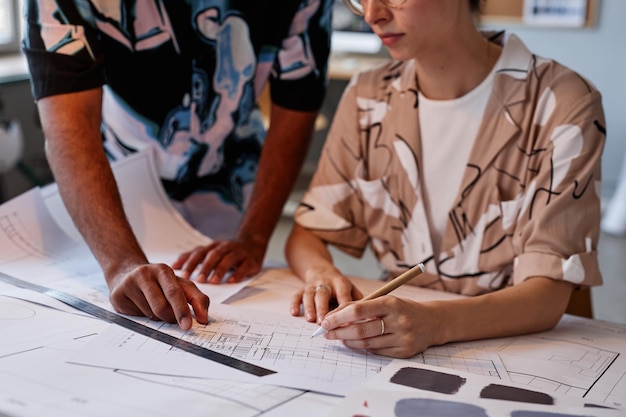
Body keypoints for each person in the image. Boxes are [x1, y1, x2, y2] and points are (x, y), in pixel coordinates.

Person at [286, 0, 606, 358]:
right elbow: (309, 231)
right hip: (398, 349)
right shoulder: (367, 94)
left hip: (521, 352)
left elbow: (547, 295)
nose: (374, 14)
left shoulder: (561, 101)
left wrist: (435, 323)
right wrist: (320, 274)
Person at [22, 0, 332, 329]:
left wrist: (254, 235)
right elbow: (70, 129)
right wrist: (120, 263)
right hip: (111, 197)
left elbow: (296, 108)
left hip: (231, 188)